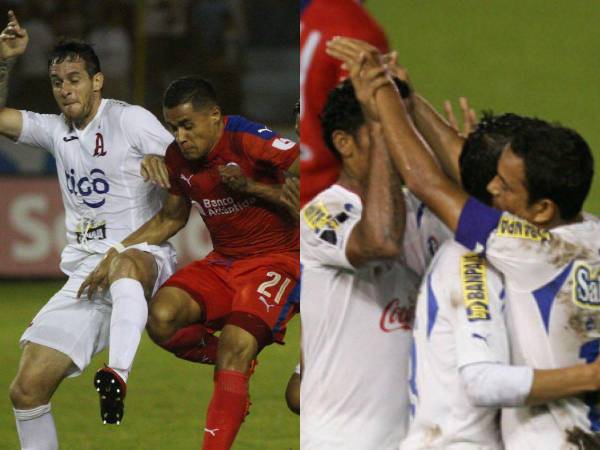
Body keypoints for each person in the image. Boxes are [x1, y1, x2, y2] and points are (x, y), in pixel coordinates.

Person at [327, 37, 600, 449]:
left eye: (504, 187)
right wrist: (411, 100)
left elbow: (427, 181)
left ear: (542, 209)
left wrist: (382, 97)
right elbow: (468, 174)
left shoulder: (527, 250)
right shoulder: (586, 232)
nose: (491, 188)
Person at [87, 76, 300, 450]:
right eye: (173, 127)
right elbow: (171, 219)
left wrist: (253, 188)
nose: (181, 136)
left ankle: (232, 368)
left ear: (215, 116)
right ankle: (235, 363)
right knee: (161, 317)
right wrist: (116, 251)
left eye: (187, 125)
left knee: (236, 342)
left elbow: (310, 181)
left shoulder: (248, 138)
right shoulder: (177, 158)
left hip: (277, 260)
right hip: (224, 262)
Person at [0, 12, 176, 450]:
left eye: (75, 79)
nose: (65, 90)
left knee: (121, 264)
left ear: (97, 81)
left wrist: (168, 165)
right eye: (57, 81)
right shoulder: (55, 132)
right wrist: (4, 61)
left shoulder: (130, 121)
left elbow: (187, 165)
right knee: (26, 391)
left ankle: (117, 374)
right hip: (86, 276)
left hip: (143, 255)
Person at [300, 77, 450, 449]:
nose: (402, 144)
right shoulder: (322, 214)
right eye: (384, 131)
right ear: (344, 143)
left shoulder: (422, 215)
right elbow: (380, 242)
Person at [300, 0, 388, 206]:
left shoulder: (313, 11)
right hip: (333, 201)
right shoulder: (358, 31)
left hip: (300, 190)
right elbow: (368, 132)